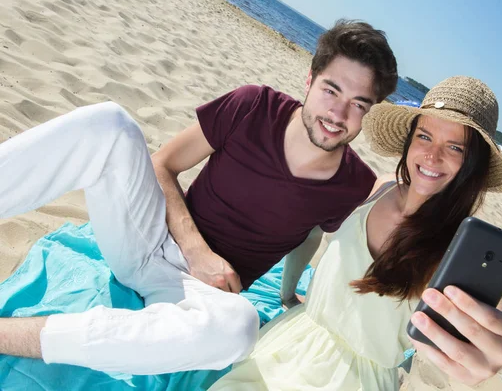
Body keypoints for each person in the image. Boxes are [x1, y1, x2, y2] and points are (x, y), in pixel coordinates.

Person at [0, 20, 398, 374]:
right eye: (332, 89)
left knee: (239, 328)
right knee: (109, 123)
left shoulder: (351, 185)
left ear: (368, 112)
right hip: (148, 236)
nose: (338, 113)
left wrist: (286, 293)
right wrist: (196, 251)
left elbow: (311, 234)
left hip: (201, 296)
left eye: (358, 104)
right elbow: (162, 166)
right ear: (310, 80)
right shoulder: (253, 106)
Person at [207, 76, 502, 390]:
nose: (432, 156)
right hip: (294, 335)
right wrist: (307, 299)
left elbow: (481, 333)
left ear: (472, 165)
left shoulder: (454, 251)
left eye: (455, 148)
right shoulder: (382, 185)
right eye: (425, 137)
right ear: (409, 140)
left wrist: (488, 360)